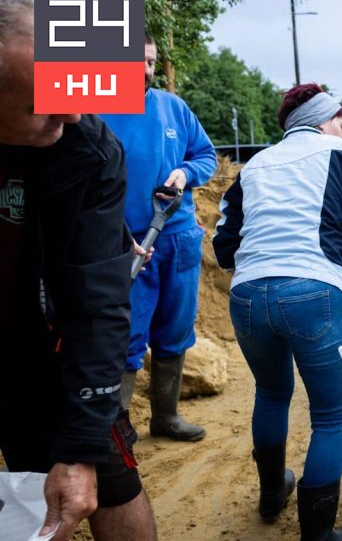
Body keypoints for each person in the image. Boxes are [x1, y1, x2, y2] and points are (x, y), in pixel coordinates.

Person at [0, 0, 157, 541]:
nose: (68, 110)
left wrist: (82, 447)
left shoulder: (88, 145)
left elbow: (98, 303)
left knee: (102, 470)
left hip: (50, 344)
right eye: (39, 99)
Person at [213, 84, 342, 540]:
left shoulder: (254, 166)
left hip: (248, 293)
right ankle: (318, 533)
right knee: (330, 413)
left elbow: (224, 247)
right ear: (328, 119)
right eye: (341, 120)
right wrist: (336, 254)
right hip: (314, 291)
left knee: (271, 394)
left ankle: (272, 494)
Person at [99, 34, 217, 442]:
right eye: (137, 62)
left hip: (179, 236)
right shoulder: (95, 112)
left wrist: (186, 172)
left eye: (150, 61)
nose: (146, 70)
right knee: (127, 333)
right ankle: (119, 427)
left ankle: (165, 417)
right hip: (126, 243)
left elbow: (206, 155)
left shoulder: (174, 108)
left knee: (176, 328)